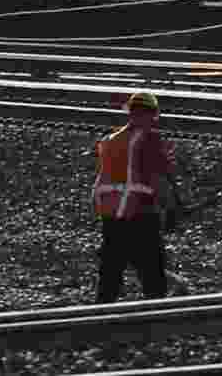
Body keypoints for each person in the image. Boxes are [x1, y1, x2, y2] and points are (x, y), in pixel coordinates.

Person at [92, 91, 175, 303]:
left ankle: (99, 320)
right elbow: (158, 178)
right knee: (152, 274)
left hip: (111, 214)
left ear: (130, 113)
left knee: (110, 274)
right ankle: (158, 320)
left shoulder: (110, 140)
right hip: (140, 212)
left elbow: (103, 178)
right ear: (153, 114)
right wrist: (171, 208)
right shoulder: (149, 139)